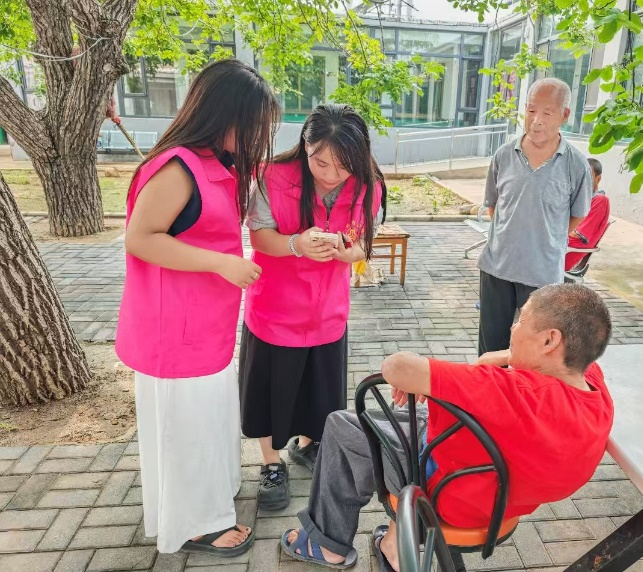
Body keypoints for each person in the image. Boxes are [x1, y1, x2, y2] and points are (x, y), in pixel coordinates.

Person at [278, 283, 614, 570]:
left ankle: (327, 544)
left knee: (342, 426)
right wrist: (507, 358)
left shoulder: (510, 391)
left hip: (444, 494)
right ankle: (394, 545)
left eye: (522, 319)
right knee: (411, 420)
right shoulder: (594, 390)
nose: (514, 327)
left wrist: (431, 379)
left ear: (549, 341)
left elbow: (397, 367)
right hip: (504, 497)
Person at [115, 59, 280, 556]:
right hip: (176, 331)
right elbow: (141, 238)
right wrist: (221, 263)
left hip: (204, 327)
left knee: (205, 421)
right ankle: (195, 524)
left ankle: (206, 503)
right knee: (187, 428)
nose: (257, 136)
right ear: (223, 114)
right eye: (253, 124)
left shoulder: (213, 164)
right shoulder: (176, 167)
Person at [239, 104, 385, 511]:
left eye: (343, 166)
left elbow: (364, 244)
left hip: (327, 312)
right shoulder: (272, 176)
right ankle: (271, 462)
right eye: (321, 162)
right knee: (270, 392)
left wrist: (345, 252)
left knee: (319, 390)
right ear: (305, 145)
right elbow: (260, 236)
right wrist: (296, 244)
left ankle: (307, 444)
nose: (331, 175)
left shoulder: (368, 185)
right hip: (276, 310)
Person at [478, 78, 592, 356]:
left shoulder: (576, 165)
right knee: (490, 348)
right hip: (497, 267)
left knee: (536, 352)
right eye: (531, 110)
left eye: (547, 113)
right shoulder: (504, 155)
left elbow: (576, 216)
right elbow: (494, 208)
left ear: (565, 115)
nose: (537, 120)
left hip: (542, 273)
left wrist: (544, 236)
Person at [565, 158, 611, 271]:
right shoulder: (581, 199)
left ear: (598, 179)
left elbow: (577, 234)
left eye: (587, 176)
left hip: (565, 252)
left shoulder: (600, 200)